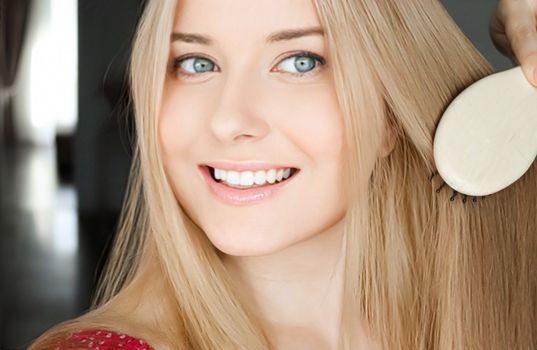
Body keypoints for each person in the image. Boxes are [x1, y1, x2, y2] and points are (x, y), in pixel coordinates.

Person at [29, 0, 537, 349]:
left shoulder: (495, 313)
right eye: (197, 63)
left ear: (388, 113)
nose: (230, 120)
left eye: (299, 61)